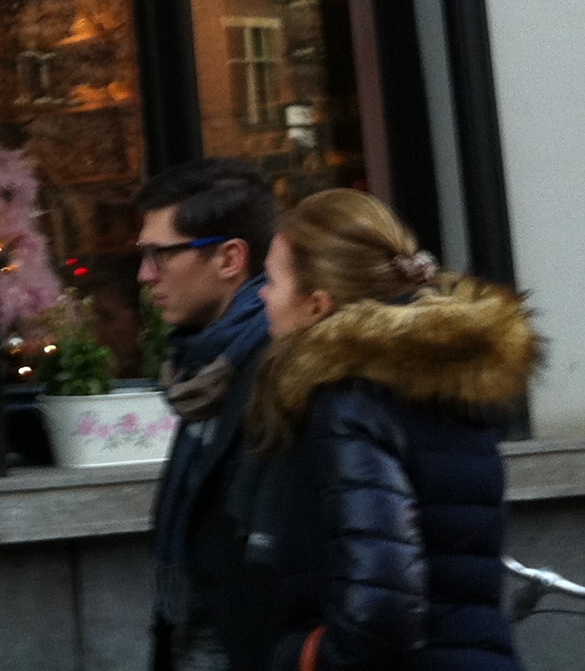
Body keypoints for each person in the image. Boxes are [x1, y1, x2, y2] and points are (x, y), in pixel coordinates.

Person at [244, 190, 537, 671]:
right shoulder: (447, 383)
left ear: (317, 305)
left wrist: (307, 658)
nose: (261, 295)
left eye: (272, 281)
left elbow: (380, 603)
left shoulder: (352, 403)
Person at [138, 158, 281, 671]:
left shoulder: (278, 372)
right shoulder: (204, 366)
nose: (145, 275)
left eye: (161, 254)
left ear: (230, 258)